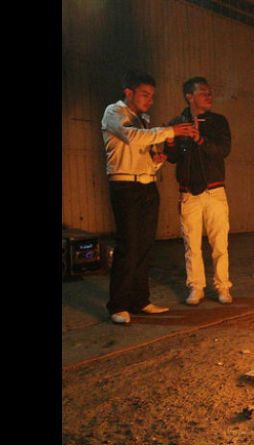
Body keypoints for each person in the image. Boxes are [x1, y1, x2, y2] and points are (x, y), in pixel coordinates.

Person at [102, 70, 198, 324]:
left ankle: (140, 300)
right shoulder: (115, 113)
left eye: (152, 96)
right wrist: (170, 131)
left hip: (146, 187)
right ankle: (117, 305)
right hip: (125, 187)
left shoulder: (143, 119)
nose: (149, 100)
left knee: (144, 246)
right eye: (145, 94)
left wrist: (156, 161)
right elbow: (132, 138)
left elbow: (142, 152)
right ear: (128, 92)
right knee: (128, 245)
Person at [165, 77, 233, 305]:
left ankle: (223, 287)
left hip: (215, 191)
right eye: (203, 92)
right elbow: (173, 158)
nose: (209, 96)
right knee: (191, 245)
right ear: (189, 96)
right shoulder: (177, 122)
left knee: (219, 244)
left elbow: (223, 150)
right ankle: (196, 288)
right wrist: (172, 139)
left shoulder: (218, 122)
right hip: (188, 193)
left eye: (210, 92)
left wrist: (200, 138)